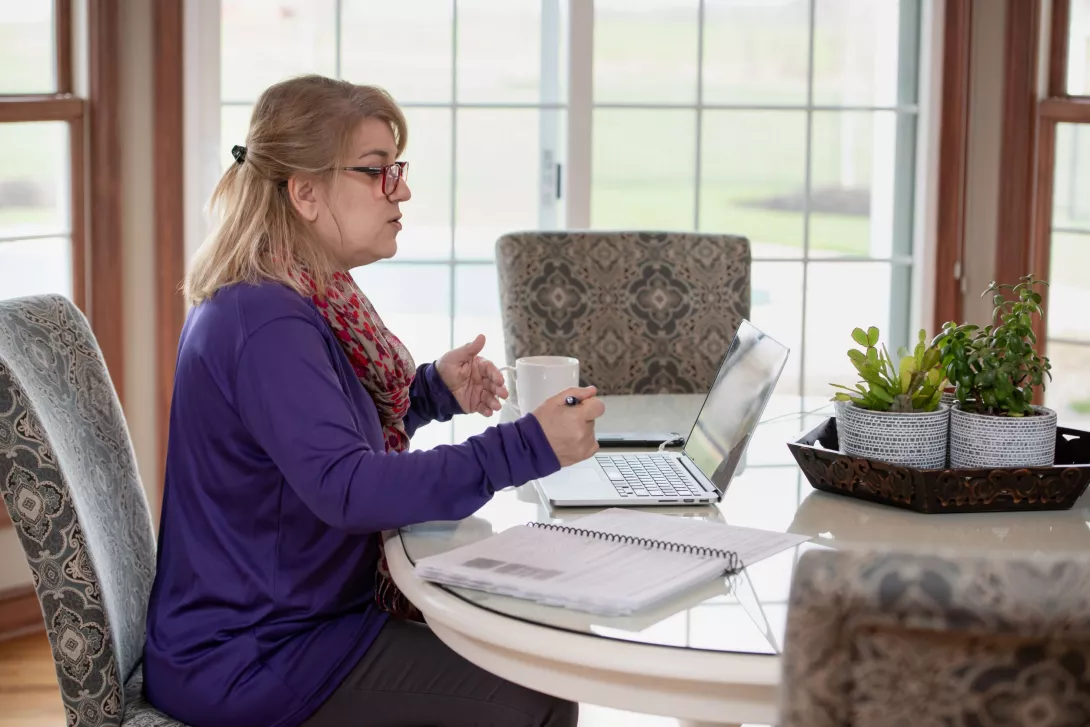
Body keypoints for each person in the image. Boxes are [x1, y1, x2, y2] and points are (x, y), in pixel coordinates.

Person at [143, 74, 604, 727]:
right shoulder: (268, 321)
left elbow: (317, 440)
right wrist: (525, 445)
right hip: (255, 657)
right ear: (305, 192)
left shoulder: (296, 294)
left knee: (532, 666)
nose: (403, 190)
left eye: (399, 169)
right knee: (537, 696)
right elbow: (347, 487)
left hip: (283, 627)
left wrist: (430, 393)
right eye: (377, 171)